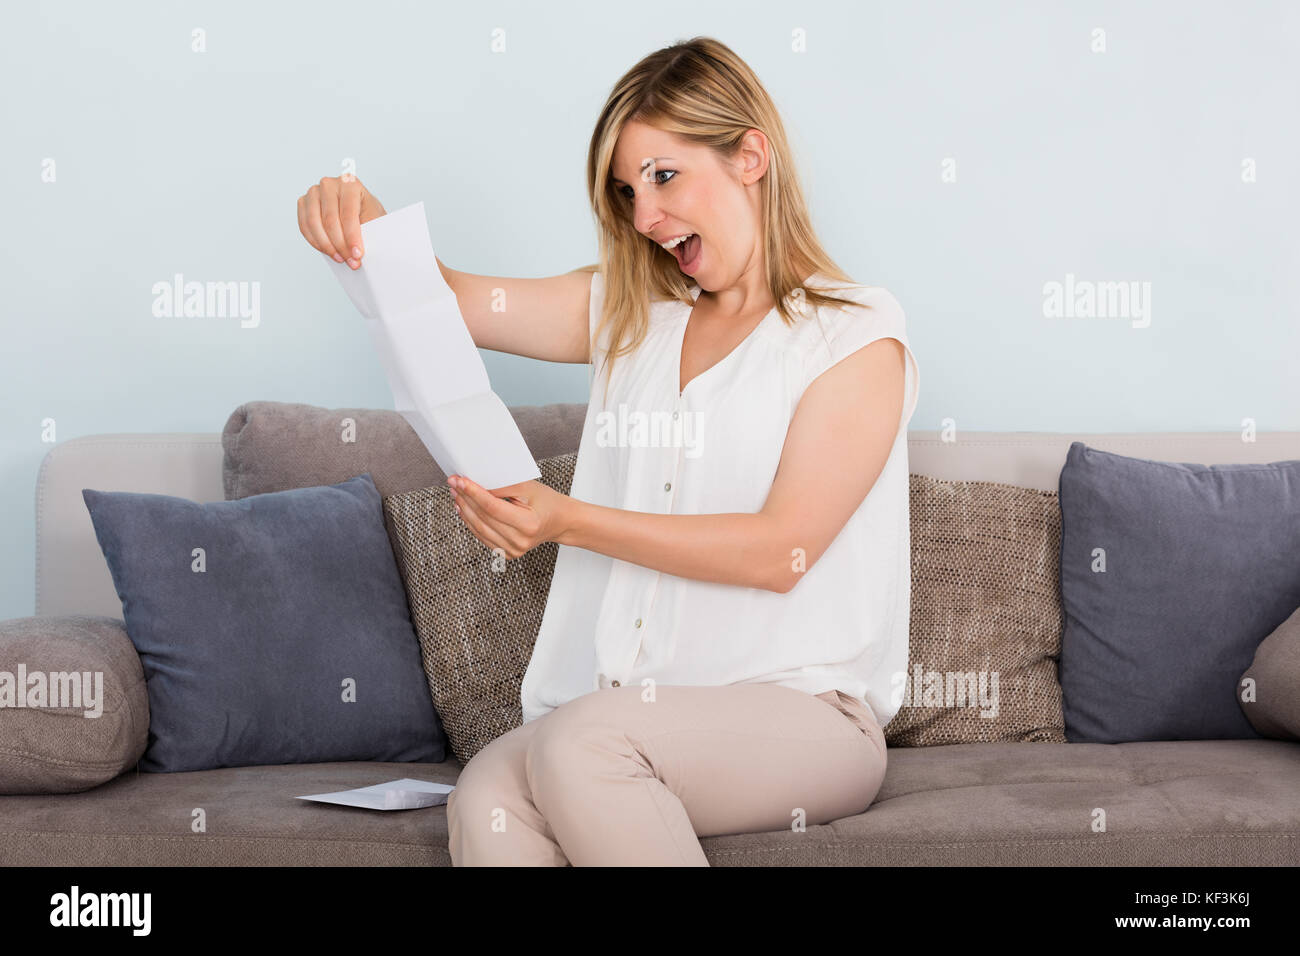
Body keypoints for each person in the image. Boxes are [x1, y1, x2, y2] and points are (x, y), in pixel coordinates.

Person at [297, 35, 920, 866]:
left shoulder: (854, 335)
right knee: (488, 795)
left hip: (805, 720)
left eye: (664, 176)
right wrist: (365, 224)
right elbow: (447, 298)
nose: (644, 217)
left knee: (582, 744)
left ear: (749, 157)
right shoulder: (633, 315)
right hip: (623, 714)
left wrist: (566, 520)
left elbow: (782, 551)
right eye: (628, 191)